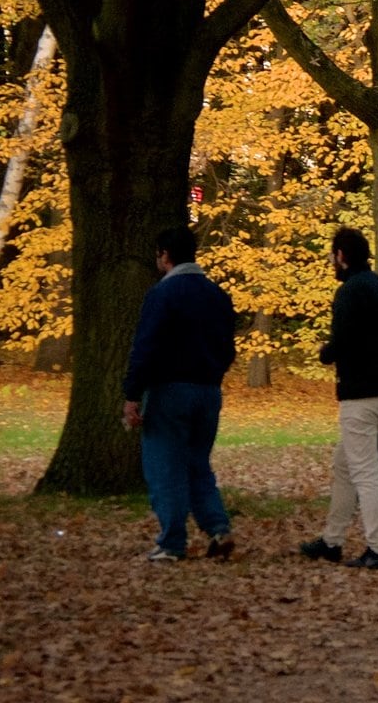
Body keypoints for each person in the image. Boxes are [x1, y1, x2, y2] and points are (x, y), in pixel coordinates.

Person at [123, 225, 238, 562]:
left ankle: (172, 541)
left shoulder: (162, 295)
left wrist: (132, 394)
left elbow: (145, 347)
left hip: (170, 390)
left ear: (165, 256)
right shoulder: (218, 296)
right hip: (208, 391)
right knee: (197, 464)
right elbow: (228, 348)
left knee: (165, 466)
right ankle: (218, 528)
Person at [299, 226, 378, 571]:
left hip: (361, 394)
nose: (332, 261)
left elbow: (344, 339)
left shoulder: (350, 292)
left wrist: (325, 353)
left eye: (333, 256)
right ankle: (332, 541)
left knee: (364, 473)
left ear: (342, 257)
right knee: (344, 465)